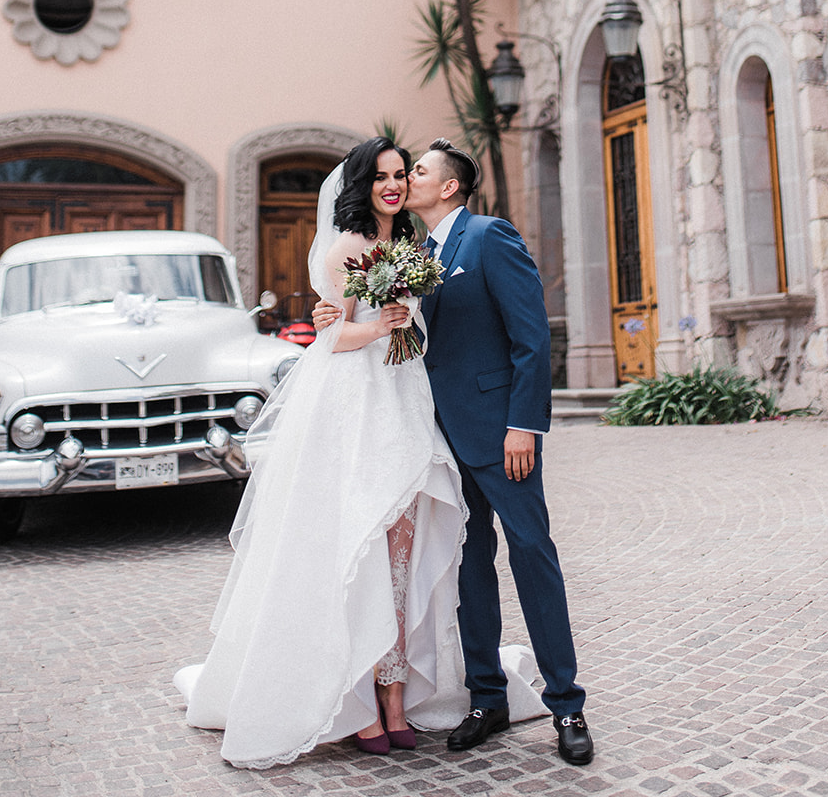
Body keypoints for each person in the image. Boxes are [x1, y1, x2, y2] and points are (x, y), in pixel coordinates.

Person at [174, 137, 540, 768]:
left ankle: (398, 699)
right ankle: (362, 704)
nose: (394, 185)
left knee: (406, 553)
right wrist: (383, 325)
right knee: (363, 548)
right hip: (360, 406)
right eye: (383, 177)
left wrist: (406, 323)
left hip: (407, 400)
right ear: (363, 184)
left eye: (403, 175)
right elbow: (332, 336)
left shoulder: (413, 249)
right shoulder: (347, 247)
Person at [315, 137, 593, 767]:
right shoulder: (409, 251)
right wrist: (333, 310)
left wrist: (524, 425)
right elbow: (390, 320)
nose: (404, 178)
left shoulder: (489, 237)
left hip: (499, 434)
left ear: (448, 187)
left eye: (416, 171)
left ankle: (568, 704)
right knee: (467, 568)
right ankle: (485, 697)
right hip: (433, 436)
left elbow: (530, 338)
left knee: (532, 555)